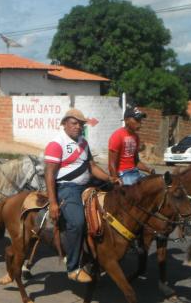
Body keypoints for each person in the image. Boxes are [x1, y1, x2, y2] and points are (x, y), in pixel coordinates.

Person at [45, 108, 117, 283]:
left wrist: (110, 178)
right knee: (77, 223)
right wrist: (53, 202)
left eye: (81, 124)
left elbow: (92, 167)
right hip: (66, 188)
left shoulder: (84, 142)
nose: (78, 127)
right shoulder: (57, 143)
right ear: (65, 124)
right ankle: (74, 267)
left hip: (86, 184)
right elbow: (49, 174)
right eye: (74, 123)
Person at [108, 107, 154, 186]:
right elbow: (111, 163)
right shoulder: (117, 136)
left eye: (140, 120)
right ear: (126, 120)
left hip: (134, 172)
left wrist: (148, 170)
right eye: (136, 120)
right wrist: (116, 179)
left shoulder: (136, 137)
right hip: (123, 174)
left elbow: (136, 161)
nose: (140, 123)